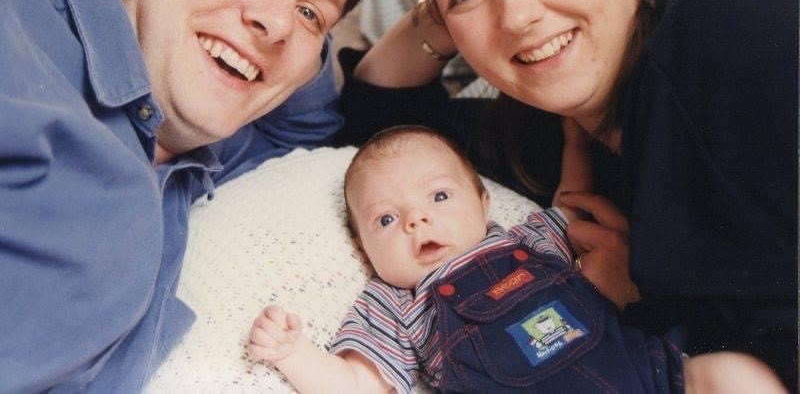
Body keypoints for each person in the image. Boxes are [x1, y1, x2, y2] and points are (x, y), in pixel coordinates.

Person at [335, 0, 798, 389]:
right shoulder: (544, 137)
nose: (516, 17)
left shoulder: (733, 15)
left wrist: (645, 299)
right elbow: (373, 128)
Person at [0, 0, 386, 391]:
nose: (275, 24)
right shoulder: (14, 22)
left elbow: (309, 122)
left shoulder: (207, 147)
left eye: (310, 13)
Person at [248, 125, 784, 393]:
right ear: (362, 247)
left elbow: (571, 199)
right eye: (386, 219)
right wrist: (294, 354)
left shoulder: (525, 240)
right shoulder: (393, 303)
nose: (416, 221)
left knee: (734, 372)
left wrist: (574, 137)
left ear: (484, 202)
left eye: (438, 197)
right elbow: (360, 384)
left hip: (647, 375)